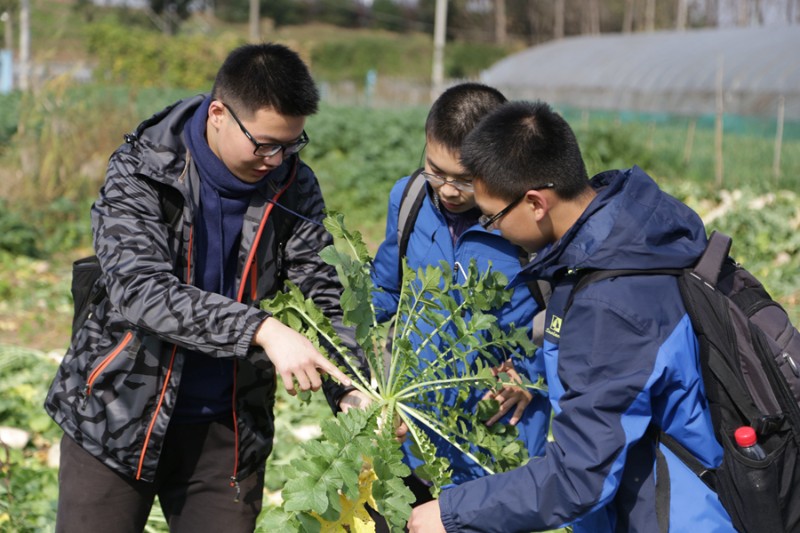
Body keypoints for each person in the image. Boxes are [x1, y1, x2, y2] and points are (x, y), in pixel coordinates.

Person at [44, 43, 366, 533]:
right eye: (264, 144)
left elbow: (322, 293)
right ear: (219, 114)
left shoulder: (293, 185)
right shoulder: (142, 172)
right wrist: (262, 329)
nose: (276, 159)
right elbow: (141, 291)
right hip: (115, 414)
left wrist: (352, 386)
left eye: (290, 144)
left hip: (227, 427)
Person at [407, 100, 737, 532]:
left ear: (535, 203)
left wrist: (451, 514)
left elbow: (580, 477)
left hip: (668, 517)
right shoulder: (621, 236)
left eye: (492, 218)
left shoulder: (614, 303)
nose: (492, 229)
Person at [371, 84, 551, 529]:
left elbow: (575, 324)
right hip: (413, 429)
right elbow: (384, 292)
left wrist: (532, 381)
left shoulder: (528, 224)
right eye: (435, 170)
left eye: (465, 178)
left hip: (495, 437)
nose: (447, 190)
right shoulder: (410, 198)